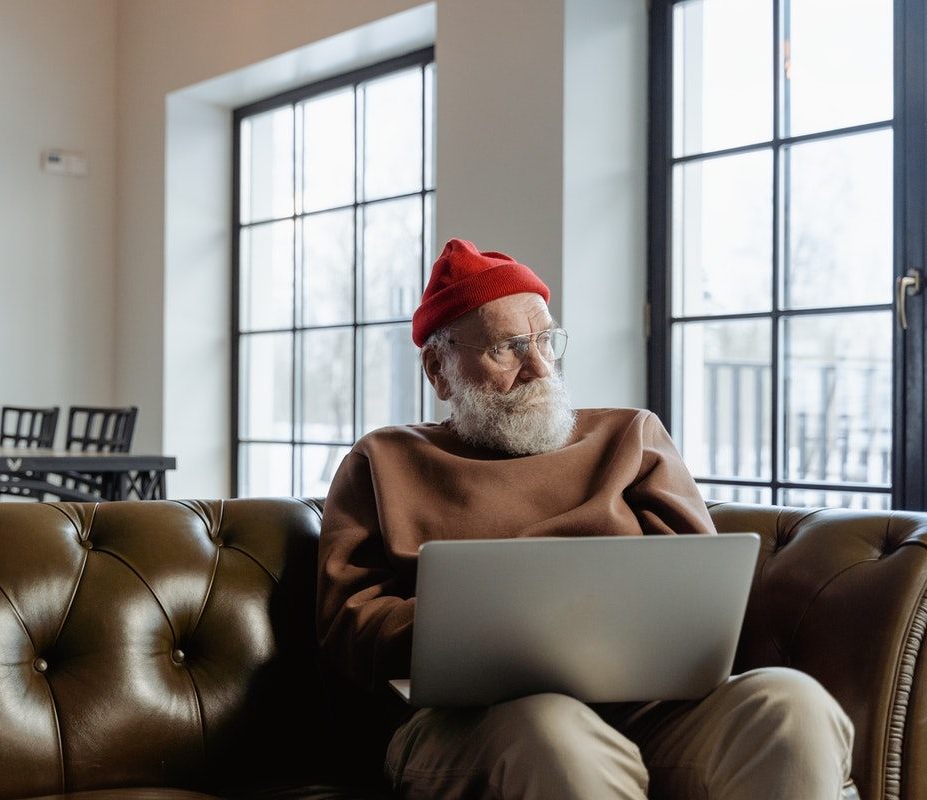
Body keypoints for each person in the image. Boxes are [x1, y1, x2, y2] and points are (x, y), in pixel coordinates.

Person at [316, 238, 855, 799]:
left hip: (651, 713)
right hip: (473, 724)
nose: (541, 367)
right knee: (554, 735)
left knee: (792, 706)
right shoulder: (383, 461)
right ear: (439, 369)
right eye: (510, 347)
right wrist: (481, 619)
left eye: (547, 339)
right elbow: (348, 629)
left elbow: (704, 595)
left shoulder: (631, 436)